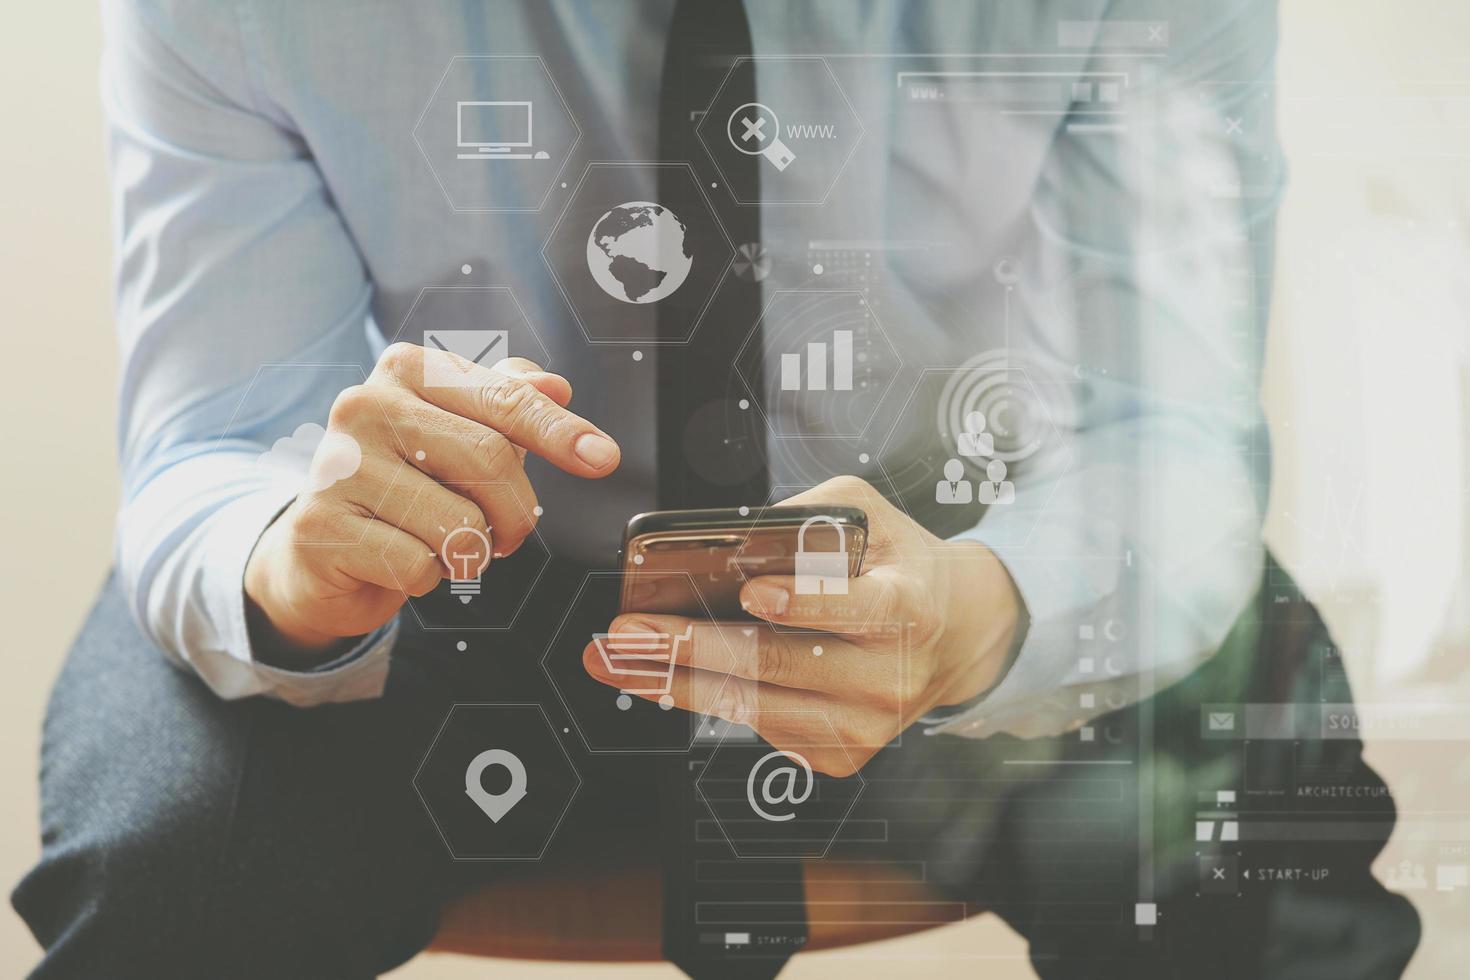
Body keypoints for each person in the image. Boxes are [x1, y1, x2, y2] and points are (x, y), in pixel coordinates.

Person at [14, 2, 1418, 978]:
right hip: (444, 578)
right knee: (170, 877)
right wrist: (297, 566)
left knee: (1263, 875)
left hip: (957, 547)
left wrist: (987, 611)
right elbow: (223, 437)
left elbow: (1160, 429)